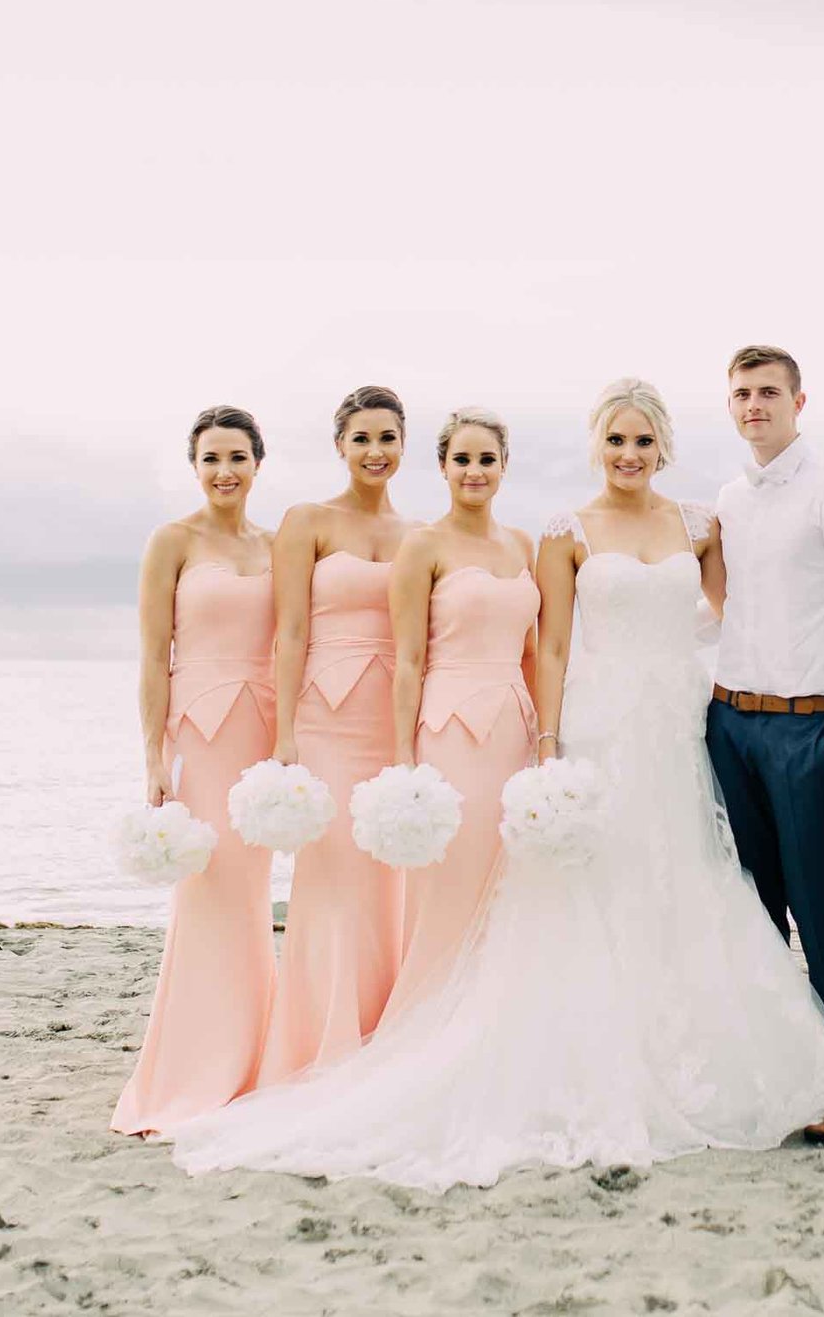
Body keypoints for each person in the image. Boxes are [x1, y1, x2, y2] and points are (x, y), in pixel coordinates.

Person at [172, 381, 824, 1188]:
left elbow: (732, 615)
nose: (628, 454)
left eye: (642, 441)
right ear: (596, 446)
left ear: (661, 445)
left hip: (674, 721)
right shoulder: (560, 533)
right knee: (578, 887)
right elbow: (552, 647)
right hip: (586, 723)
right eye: (615, 441)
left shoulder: (697, 523)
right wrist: (550, 737)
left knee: (677, 876)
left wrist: (728, 652)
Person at [708, 344, 824, 1142]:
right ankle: (782, 1068)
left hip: (810, 726)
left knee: (822, 910)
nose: (755, 405)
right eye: (743, 393)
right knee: (754, 913)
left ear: (798, 400)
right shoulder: (727, 497)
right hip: (732, 722)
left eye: (768, 392)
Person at [113, 406, 280, 1134]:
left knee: (251, 894)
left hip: (263, 733)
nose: (225, 471)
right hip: (200, 731)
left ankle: (253, 1058)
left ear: (258, 462)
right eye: (212, 458)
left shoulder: (277, 545)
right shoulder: (172, 541)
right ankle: (192, 1065)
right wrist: (152, 755)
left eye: (238, 456)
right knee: (205, 892)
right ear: (194, 464)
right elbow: (154, 655)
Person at [254, 386, 413, 1085]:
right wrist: (284, 731)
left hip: (395, 717)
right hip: (325, 716)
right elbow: (287, 630)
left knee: (389, 875)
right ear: (340, 446)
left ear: (405, 444)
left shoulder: (418, 534)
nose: (375, 452)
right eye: (362, 439)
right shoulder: (307, 521)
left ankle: (383, 1027)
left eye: (387, 438)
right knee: (333, 873)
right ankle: (323, 1039)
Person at [375, 408, 540, 1021]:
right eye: (462, 459)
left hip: (515, 731)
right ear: (443, 466)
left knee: (508, 887)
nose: (475, 471)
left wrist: (546, 739)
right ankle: (425, 1021)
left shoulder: (522, 545)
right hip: (449, 733)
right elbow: (408, 659)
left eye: (487, 459)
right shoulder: (423, 545)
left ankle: (492, 1025)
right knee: (452, 886)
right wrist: (403, 758)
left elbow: (533, 653)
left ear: (503, 467)